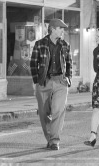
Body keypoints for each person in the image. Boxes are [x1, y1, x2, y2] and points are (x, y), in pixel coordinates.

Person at [30, 19, 72, 150]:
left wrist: (68, 78)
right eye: (60, 28)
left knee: (58, 111)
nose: (62, 30)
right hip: (44, 82)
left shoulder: (65, 45)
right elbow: (33, 63)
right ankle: (49, 138)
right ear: (52, 29)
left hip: (61, 82)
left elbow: (69, 64)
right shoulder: (40, 44)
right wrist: (37, 81)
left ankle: (54, 141)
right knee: (44, 113)